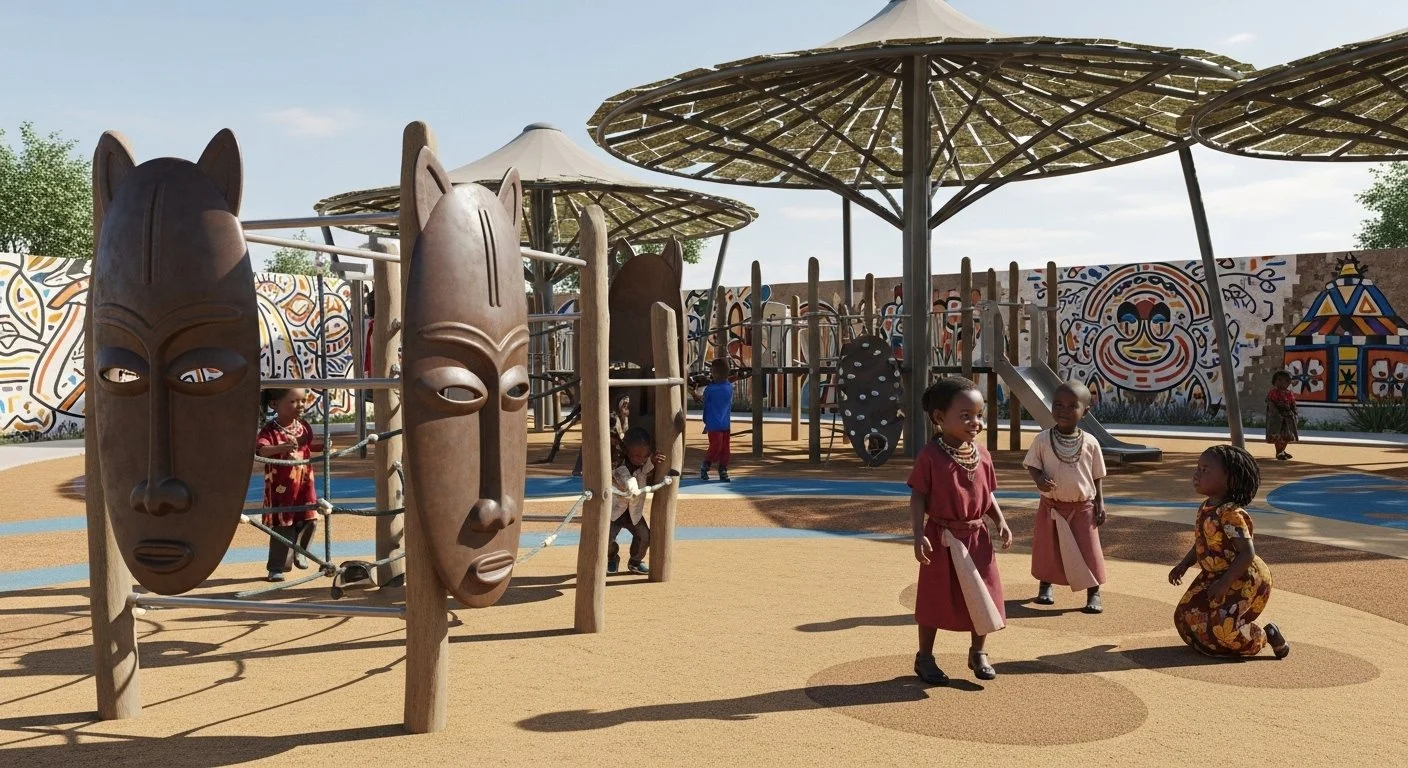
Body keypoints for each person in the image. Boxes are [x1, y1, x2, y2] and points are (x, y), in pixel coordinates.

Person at [909, 376, 1013, 685]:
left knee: (984, 594)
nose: (975, 422)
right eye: (965, 415)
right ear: (940, 418)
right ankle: (924, 657)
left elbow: (988, 493)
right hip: (942, 537)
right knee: (935, 597)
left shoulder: (982, 455)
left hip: (977, 537)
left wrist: (1000, 520)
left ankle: (978, 652)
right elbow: (918, 496)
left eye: (979, 415)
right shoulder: (930, 456)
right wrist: (918, 535)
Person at [1169, 445, 1290, 659]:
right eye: (1198, 468)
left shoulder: (1231, 514)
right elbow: (1203, 542)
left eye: (1206, 470)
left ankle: (1262, 637)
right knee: (1186, 615)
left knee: (1223, 628)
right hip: (1214, 574)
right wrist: (1184, 564)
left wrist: (1224, 583)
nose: (1197, 474)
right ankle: (1212, 645)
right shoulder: (1206, 507)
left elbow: (1247, 553)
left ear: (1230, 480)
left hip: (1243, 576)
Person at [1024, 381, 1108, 613]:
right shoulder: (1042, 439)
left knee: (1088, 551)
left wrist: (1100, 503)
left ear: (1085, 412)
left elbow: (1097, 475)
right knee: (1048, 549)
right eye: (1058, 405)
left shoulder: (1091, 442)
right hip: (1051, 506)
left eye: (1072, 406)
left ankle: (1093, 592)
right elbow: (1032, 465)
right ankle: (1045, 587)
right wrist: (1039, 479)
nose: (1063, 410)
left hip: (1083, 508)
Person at [255, 388, 325, 582]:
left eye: (303, 401)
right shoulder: (270, 430)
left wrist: (322, 446)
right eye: (293, 402)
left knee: (310, 518)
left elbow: (307, 445)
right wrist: (281, 448)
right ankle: (277, 567)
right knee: (283, 524)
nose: (300, 405)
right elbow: (261, 451)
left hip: (303, 484)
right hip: (281, 488)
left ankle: (300, 551)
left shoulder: (303, 426)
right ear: (274, 404)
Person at [609, 427, 666, 575]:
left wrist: (652, 461)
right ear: (627, 451)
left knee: (645, 537)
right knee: (607, 538)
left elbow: (644, 470)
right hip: (615, 513)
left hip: (634, 513)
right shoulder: (620, 467)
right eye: (636, 456)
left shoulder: (642, 463)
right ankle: (611, 557)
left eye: (644, 456)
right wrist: (633, 489)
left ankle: (635, 561)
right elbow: (628, 480)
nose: (640, 459)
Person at [572, 391, 630, 477]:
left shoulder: (624, 418)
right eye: (623, 404)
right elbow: (605, 430)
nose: (625, 406)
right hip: (602, 439)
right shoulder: (611, 416)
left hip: (616, 441)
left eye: (626, 404)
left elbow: (623, 431)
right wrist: (612, 439)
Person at [696, 358, 733, 482]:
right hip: (721, 424)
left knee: (718, 447)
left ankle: (711, 467)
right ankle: (716, 467)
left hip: (717, 424)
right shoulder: (728, 387)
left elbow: (706, 404)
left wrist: (706, 421)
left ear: (714, 373)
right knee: (722, 447)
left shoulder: (710, 389)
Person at [1265, 370, 1298, 461]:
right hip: (1277, 418)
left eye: (1286, 380)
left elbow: (1293, 404)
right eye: (1279, 380)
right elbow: (1271, 404)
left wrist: (1294, 414)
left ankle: (1282, 450)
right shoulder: (1273, 393)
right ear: (1274, 381)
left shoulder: (1289, 393)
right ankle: (1279, 452)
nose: (1282, 383)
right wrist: (1276, 414)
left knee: (1287, 435)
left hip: (1288, 418)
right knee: (1278, 436)